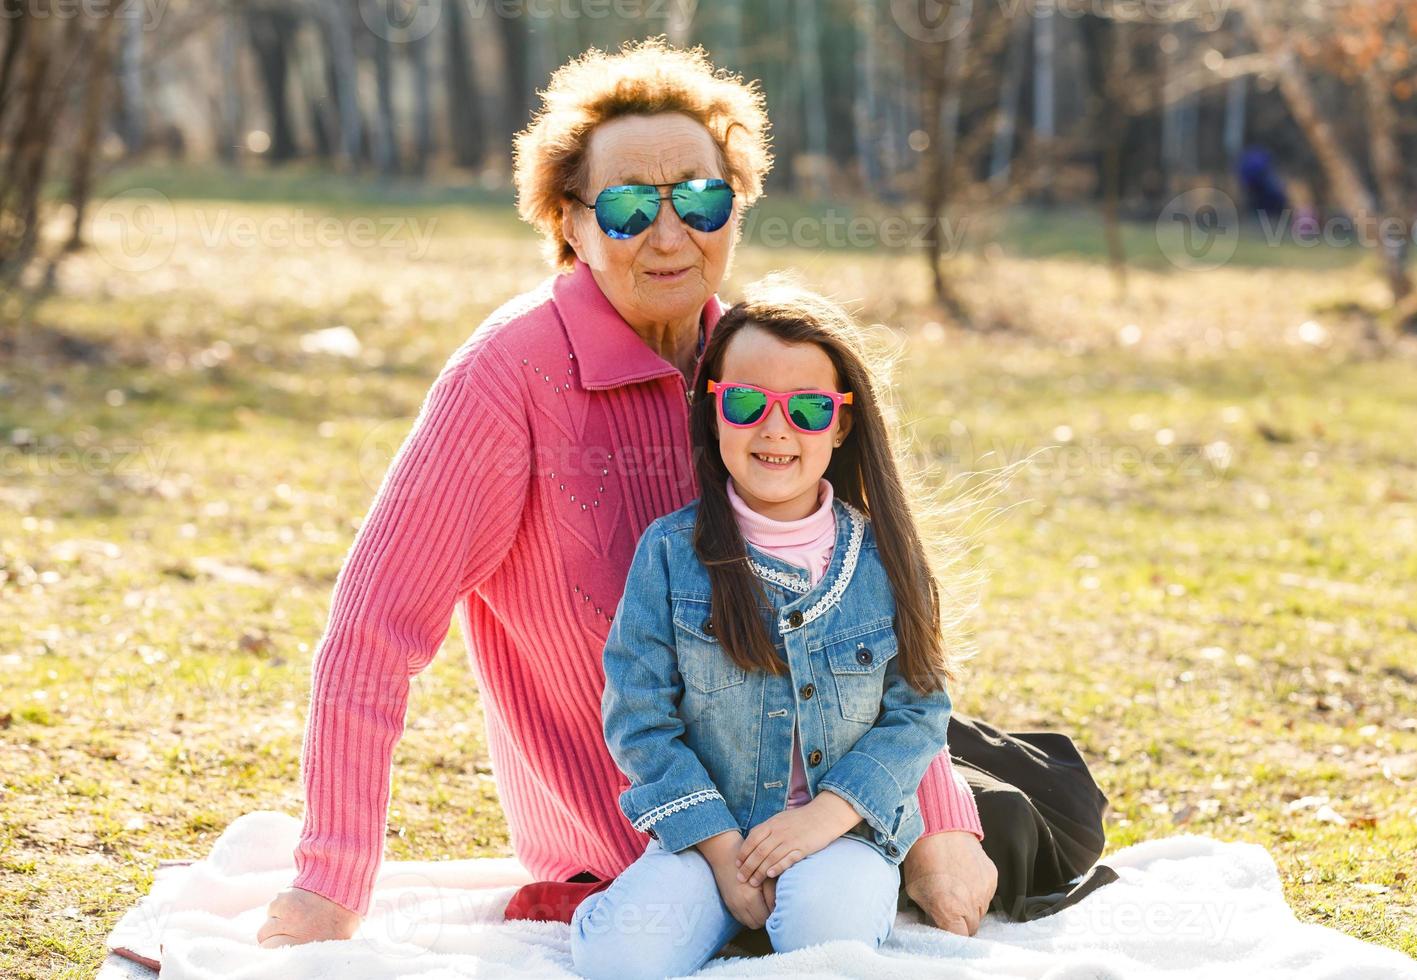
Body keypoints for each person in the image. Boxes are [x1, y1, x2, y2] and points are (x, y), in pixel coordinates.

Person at [258, 39, 1109, 951]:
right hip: (641, 831)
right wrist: (329, 884)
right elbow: (372, 630)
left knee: (1029, 818)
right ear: (569, 224)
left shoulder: (755, 369)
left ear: (734, 207)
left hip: (811, 785)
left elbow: (871, 613)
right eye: (627, 207)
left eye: (700, 199)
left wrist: (941, 823)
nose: (670, 236)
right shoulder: (507, 382)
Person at [570, 283, 956, 978]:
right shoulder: (670, 555)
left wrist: (824, 819)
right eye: (747, 404)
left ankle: (793, 915)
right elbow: (640, 719)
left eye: (806, 409)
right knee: (623, 959)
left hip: (841, 835)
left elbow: (918, 712)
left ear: (840, 424)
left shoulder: (885, 559)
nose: (775, 431)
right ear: (713, 408)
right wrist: (720, 851)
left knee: (823, 939)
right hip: (706, 837)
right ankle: (705, 916)